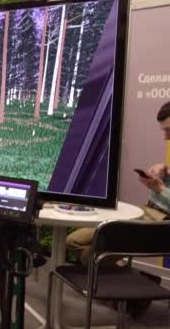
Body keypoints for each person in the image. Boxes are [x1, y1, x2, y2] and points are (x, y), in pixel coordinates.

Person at [66, 100, 170, 317]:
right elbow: (157, 196)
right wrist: (163, 174)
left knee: (92, 252)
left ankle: (135, 285)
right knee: (74, 241)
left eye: (169, 130)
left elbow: (162, 198)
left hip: (158, 225)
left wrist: (160, 187)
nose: (166, 138)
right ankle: (137, 282)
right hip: (145, 214)